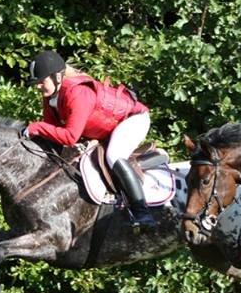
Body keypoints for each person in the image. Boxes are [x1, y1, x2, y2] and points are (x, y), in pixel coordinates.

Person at [24, 50, 157, 227]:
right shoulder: (51, 98)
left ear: (57, 76)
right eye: (37, 83)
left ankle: (142, 212)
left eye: (42, 81)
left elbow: (69, 136)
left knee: (114, 155)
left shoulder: (78, 93)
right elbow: (53, 132)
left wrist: (35, 127)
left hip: (133, 120)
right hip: (105, 128)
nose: (39, 86)